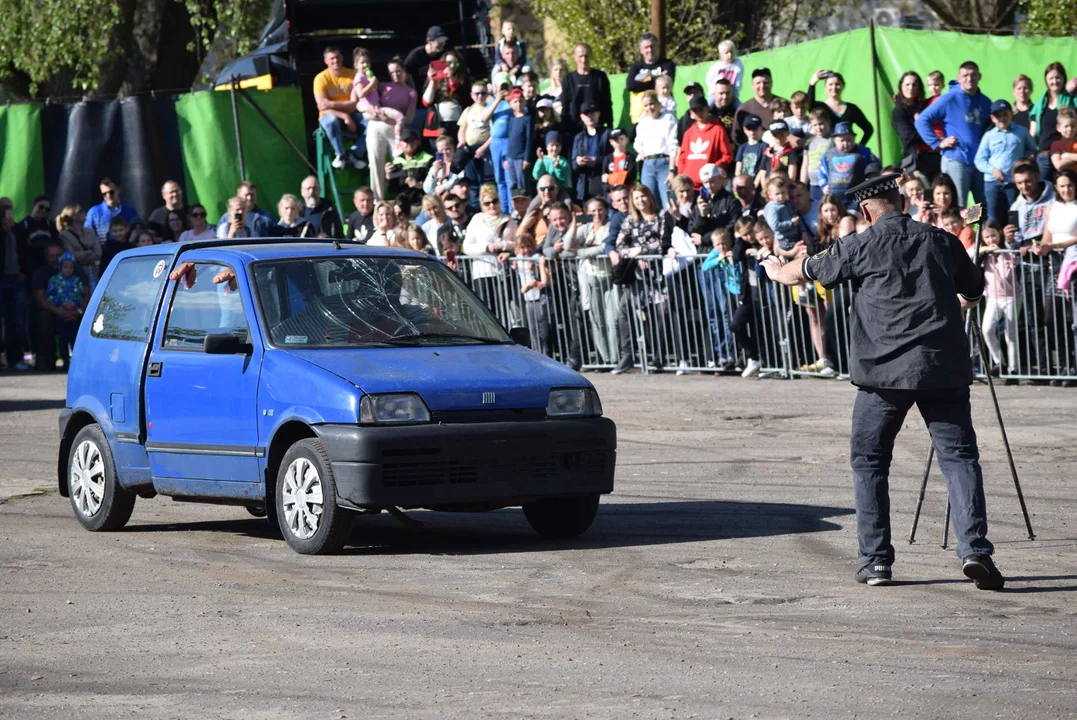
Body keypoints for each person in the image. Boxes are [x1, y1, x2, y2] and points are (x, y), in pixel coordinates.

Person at [762, 173, 1004, 590]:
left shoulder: (858, 244)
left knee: (870, 463)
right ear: (901, 202)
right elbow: (974, 288)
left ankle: (876, 562)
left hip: (883, 375)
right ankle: (975, 551)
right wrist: (959, 299)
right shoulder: (940, 238)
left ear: (865, 211)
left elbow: (801, 274)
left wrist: (774, 268)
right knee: (960, 460)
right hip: (940, 368)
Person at [610, 185, 671, 374]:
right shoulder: (630, 220)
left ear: (650, 197)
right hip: (637, 278)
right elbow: (620, 244)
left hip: (659, 277)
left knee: (661, 314)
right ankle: (628, 354)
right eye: (636, 198)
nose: (640, 201)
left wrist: (643, 251)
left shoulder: (662, 216)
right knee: (623, 311)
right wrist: (634, 254)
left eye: (643, 196)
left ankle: (658, 357)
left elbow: (664, 243)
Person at [915, 61, 993, 208]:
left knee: (980, 206)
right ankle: (958, 231)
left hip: (979, 163)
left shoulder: (985, 102)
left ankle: (974, 230)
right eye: (965, 75)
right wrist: (937, 143)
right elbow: (922, 120)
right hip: (956, 160)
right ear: (959, 78)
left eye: (973, 75)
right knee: (958, 204)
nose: (969, 79)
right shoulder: (949, 98)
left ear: (980, 76)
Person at [974, 99, 1037, 223]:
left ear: (1011, 114)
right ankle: (995, 241)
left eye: (1005, 114)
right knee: (993, 217)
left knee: (1014, 215)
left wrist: (1024, 163)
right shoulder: (989, 136)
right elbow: (979, 160)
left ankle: (1013, 241)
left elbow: (1032, 149)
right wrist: (992, 170)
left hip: (1013, 183)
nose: (1002, 118)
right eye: (998, 116)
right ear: (992, 118)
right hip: (992, 183)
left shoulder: (1021, 132)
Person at [574, 196, 618, 364]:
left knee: (611, 319)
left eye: (600, 209)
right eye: (593, 210)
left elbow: (605, 246)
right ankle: (605, 358)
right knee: (597, 320)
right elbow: (568, 243)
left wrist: (581, 252)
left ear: (606, 210)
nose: (597, 213)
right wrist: (573, 224)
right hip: (591, 278)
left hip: (609, 278)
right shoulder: (585, 228)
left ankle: (615, 357)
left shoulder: (609, 226)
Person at [367, 58, 417, 201]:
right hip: (376, 127)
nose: (395, 75)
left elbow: (409, 117)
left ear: (404, 72)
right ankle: (377, 201)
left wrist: (389, 120)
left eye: (398, 71)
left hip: (397, 129)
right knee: (376, 163)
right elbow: (366, 100)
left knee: (402, 163)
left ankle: (405, 200)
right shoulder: (382, 86)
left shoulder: (411, 92)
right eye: (392, 72)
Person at [33, 243, 88, 372]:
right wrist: (61, 310)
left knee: (75, 338)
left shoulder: (77, 276)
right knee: (62, 339)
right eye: (52, 256)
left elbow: (85, 294)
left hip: (76, 313)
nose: (55, 259)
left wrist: (78, 311)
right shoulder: (50, 278)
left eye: (58, 255)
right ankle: (54, 362)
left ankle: (78, 363)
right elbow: (44, 299)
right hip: (57, 314)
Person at [463, 183, 517, 307]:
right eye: (487, 203)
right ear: (482, 204)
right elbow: (467, 247)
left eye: (495, 201)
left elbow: (518, 244)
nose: (492, 205)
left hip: (505, 273)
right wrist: (486, 248)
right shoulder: (477, 219)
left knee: (505, 309)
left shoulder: (509, 220)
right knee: (488, 309)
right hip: (483, 273)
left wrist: (504, 246)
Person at [978, 220, 1019, 374]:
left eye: (993, 236)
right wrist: (985, 249)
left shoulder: (1006, 251)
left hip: (1011, 297)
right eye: (987, 237)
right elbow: (968, 254)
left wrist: (1000, 256)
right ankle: (998, 362)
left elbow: (1007, 275)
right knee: (987, 329)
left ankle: (1013, 368)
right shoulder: (984, 251)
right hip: (993, 297)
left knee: (1011, 334)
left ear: (999, 234)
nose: (991, 240)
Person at [314, 46, 362, 170]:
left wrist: (330, 103)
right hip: (331, 116)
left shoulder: (353, 75)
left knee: (372, 123)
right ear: (326, 61)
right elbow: (322, 107)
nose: (336, 61)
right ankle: (340, 154)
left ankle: (354, 153)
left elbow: (355, 103)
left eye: (338, 57)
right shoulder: (320, 78)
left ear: (342, 58)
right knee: (331, 121)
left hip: (353, 114)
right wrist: (344, 115)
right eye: (332, 58)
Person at [1029, 62, 1076, 180]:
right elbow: (1032, 133)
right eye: (1051, 78)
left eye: (1058, 77)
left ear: (1063, 78)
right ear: (1046, 80)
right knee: (1044, 190)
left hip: (1066, 154)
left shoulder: (1073, 101)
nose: (1054, 81)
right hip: (1044, 156)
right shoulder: (1039, 105)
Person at [891, 71, 939, 182]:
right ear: (901, 87)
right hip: (915, 161)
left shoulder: (926, 106)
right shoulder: (899, 111)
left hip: (936, 157)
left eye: (914, 85)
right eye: (907, 85)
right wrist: (934, 138)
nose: (911, 88)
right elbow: (907, 136)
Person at [634, 90, 679, 209]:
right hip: (648, 164)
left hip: (664, 162)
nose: (649, 107)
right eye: (646, 105)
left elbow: (673, 145)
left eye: (652, 103)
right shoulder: (643, 122)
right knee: (649, 201)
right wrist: (641, 151)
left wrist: (672, 170)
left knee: (668, 203)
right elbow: (637, 143)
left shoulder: (668, 119)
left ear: (658, 104)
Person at [806, 70, 874, 147]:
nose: (834, 87)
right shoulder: (820, 107)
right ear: (825, 87)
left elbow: (868, 129)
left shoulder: (852, 109)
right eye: (830, 84)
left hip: (846, 153)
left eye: (837, 84)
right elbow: (809, 105)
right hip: (825, 150)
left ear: (843, 86)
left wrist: (860, 146)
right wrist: (812, 83)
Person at [677, 96, 734, 188]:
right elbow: (682, 157)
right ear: (691, 113)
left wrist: (713, 168)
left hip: (709, 184)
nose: (698, 113)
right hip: (690, 186)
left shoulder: (717, 130)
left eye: (701, 109)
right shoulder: (689, 133)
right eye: (695, 110)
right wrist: (683, 174)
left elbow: (727, 155)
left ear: (707, 109)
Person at [819, 121, 881, 203]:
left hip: (857, 193)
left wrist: (870, 174)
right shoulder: (828, 154)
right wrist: (824, 185)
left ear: (854, 138)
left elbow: (875, 163)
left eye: (848, 140)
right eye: (841, 140)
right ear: (834, 140)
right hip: (834, 194)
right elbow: (821, 170)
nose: (845, 143)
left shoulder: (863, 152)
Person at [45, 252, 87, 369]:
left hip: (74, 315)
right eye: (65, 267)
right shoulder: (54, 280)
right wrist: (62, 304)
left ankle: (75, 363)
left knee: (75, 339)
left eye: (71, 267)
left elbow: (81, 295)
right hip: (60, 315)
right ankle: (65, 361)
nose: (68, 270)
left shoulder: (77, 280)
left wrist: (75, 304)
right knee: (63, 340)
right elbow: (50, 296)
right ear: (60, 267)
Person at [560, 44, 613, 136]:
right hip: (574, 128)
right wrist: (564, 129)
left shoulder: (600, 77)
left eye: (586, 56)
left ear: (591, 56)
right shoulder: (568, 79)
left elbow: (607, 103)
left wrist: (609, 126)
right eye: (580, 56)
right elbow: (565, 105)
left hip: (597, 128)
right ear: (575, 57)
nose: (584, 60)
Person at [0, 204, 29, 370]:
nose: (10, 220)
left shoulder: (18, 232)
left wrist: (23, 271)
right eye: (6, 217)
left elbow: (25, 253)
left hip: (16, 280)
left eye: (11, 216)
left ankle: (16, 359)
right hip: (2, 280)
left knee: (16, 322)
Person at [626, 32, 676, 124]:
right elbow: (630, 86)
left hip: (663, 114)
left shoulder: (667, 64)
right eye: (646, 47)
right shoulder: (636, 67)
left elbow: (667, 83)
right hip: (640, 117)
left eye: (652, 46)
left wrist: (641, 81)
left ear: (658, 47)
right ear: (641, 50)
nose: (650, 50)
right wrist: (656, 79)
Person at [386, 128, 434, 216]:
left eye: (412, 140)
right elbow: (391, 190)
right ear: (401, 144)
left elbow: (433, 185)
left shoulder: (427, 158)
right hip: (401, 205)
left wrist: (419, 185)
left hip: (421, 203)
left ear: (417, 142)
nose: (409, 143)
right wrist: (388, 177)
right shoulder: (397, 162)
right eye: (406, 141)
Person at [572, 104, 611, 203]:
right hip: (584, 185)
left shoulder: (607, 133)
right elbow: (574, 165)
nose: (590, 117)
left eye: (592, 113)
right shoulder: (578, 138)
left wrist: (596, 161)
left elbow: (613, 159)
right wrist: (579, 162)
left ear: (598, 114)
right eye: (586, 114)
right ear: (581, 117)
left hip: (603, 183)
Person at [734, 68, 780, 145]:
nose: (762, 86)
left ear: (772, 83)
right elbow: (736, 136)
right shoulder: (744, 109)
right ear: (752, 85)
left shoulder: (782, 105)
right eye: (758, 83)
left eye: (765, 82)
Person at [84, 179, 138, 243]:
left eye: (111, 192)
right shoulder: (94, 212)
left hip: (126, 250)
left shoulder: (130, 211)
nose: (108, 196)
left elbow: (137, 230)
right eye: (104, 194)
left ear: (118, 190)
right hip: (102, 250)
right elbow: (87, 234)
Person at [504, 87, 534, 198]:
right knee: (512, 183)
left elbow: (529, 139)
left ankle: (525, 204)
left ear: (525, 102)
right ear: (511, 104)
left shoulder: (528, 119)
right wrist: (506, 158)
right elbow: (509, 139)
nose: (518, 104)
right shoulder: (511, 119)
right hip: (511, 157)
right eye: (515, 101)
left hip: (521, 158)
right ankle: (515, 205)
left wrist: (526, 158)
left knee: (523, 184)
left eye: (520, 101)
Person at [423, 133, 463, 198]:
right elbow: (427, 190)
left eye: (447, 149)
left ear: (454, 149)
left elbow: (459, 180)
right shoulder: (435, 166)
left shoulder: (459, 164)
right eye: (441, 150)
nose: (445, 153)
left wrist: (444, 187)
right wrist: (433, 174)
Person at [735, 114, 768, 190]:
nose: (752, 131)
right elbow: (738, 169)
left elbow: (762, 169)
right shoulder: (742, 147)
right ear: (744, 129)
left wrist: (754, 186)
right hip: (743, 184)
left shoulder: (764, 146)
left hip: (756, 185)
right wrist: (739, 184)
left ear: (760, 128)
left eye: (755, 128)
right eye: (749, 128)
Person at [602, 129, 635, 194]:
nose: (619, 142)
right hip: (612, 193)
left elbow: (630, 177)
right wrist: (612, 187)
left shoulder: (630, 157)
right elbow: (604, 179)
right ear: (611, 142)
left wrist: (610, 178)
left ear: (627, 140)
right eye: (615, 140)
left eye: (621, 139)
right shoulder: (608, 159)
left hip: (627, 191)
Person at [1050, 108, 1077, 173]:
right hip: (1064, 178)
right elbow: (1058, 165)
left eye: (1073, 126)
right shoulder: (1056, 144)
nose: (1069, 129)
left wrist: (1067, 155)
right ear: (1058, 128)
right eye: (1066, 126)